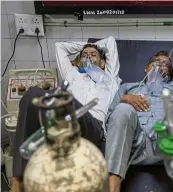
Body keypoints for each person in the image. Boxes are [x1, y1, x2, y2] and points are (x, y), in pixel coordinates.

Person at [11, 36, 121, 191]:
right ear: (78, 61)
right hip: (61, 121)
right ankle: (18, 180)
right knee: (31, 95)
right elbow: (59, 46)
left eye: (93, 54)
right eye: (85, 55)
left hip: (92, 128)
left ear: (103, 63)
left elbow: (110, 41)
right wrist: (87, 49)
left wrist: (91, 46)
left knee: (66, 101)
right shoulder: (72, 74)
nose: (88, 56)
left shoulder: (110, 77)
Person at [105, 51, 173, 192]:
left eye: (165, 64)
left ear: (169, 72)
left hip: (166, 143)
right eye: (155, 61)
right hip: (132, 143)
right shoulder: (128, 88)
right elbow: (110, 119)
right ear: (146, 68)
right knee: (122, 109)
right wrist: (124, 99)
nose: (160, 64)